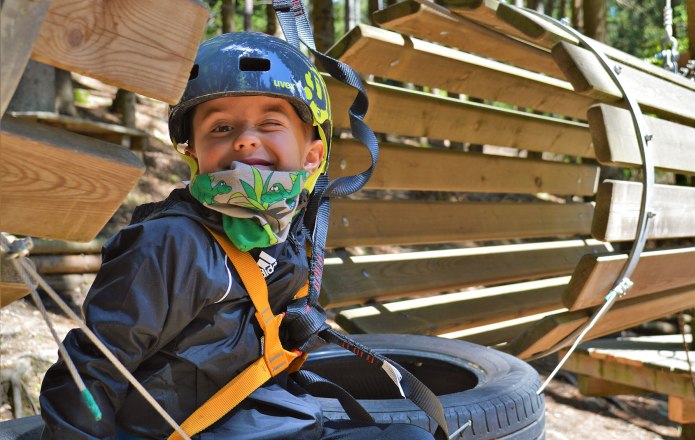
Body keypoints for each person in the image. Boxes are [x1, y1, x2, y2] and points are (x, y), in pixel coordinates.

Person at [39, 32, 435, 440]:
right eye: (222, 127)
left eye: (270, 122)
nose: (245, 139)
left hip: (269, 419)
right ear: (192, 151)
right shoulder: (170, 244)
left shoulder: (290, 232)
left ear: (313, 155)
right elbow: (94, 367)